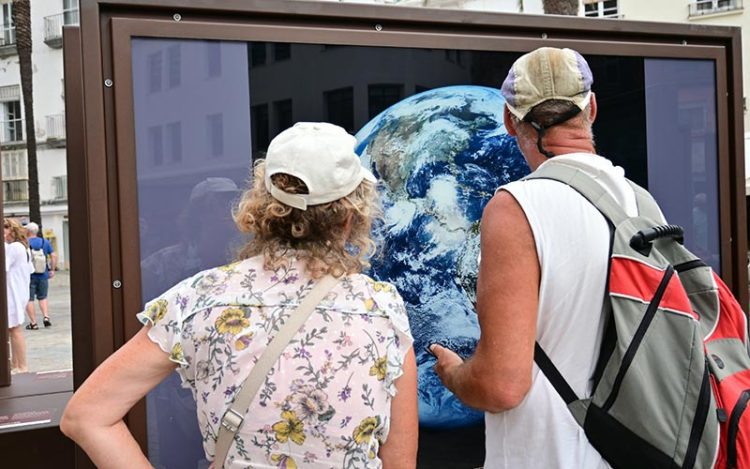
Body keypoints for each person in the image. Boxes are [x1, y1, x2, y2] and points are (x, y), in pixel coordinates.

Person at [61, 122, 418, 468]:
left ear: (261, 208)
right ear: (349, 218)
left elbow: (87, 416)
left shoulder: (198, 300)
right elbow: (399, 462)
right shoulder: (382, 309)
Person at [431, 47, 641, 468]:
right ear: (592, 109)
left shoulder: (517, 207)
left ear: (510, 119)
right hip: (631, 452)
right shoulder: (636, 201)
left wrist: (454, 375)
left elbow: (502, 385)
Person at [5, 218, 32, 373]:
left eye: (5, 227)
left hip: (13, 291)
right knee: (12, 328)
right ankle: (16, 364)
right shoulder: (23, 246)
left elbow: (4, 266)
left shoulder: (14, 247)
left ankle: (21, 365)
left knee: (14, 329)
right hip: (18, 290)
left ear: (11, 229)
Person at [25, 221, 57, 329]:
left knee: (29, 299)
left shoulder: (25, 243)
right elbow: (53, 256)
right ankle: (46, 317)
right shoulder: (45, 242)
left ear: (28, 231)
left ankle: (33, 323)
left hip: (29, 276)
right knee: (43, 297)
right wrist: (52, 270)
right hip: (43, 275)